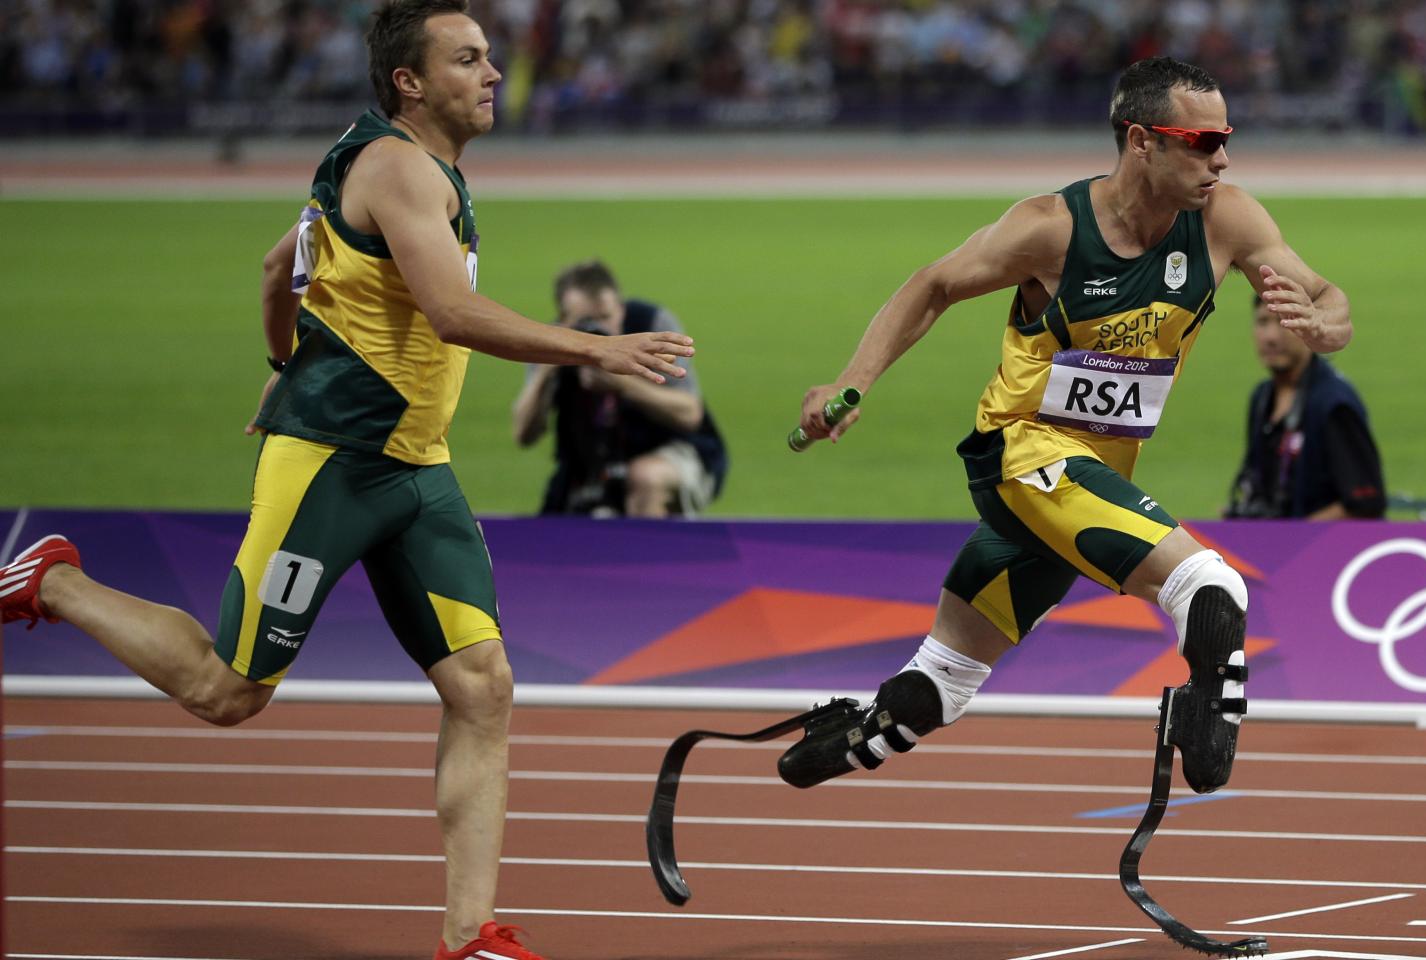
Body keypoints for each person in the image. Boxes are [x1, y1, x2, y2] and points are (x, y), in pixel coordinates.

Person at [0, 3, 692, 958]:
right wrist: (594, 350)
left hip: (417, 468)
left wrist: (288, 356)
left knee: (483, 687)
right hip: (332, 466)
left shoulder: (391, 159)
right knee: (229, 691)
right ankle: (54, 581)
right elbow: (450, 312)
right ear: (409, 82)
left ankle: (470, 935)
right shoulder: (398, 167)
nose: (494, 72)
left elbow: (280, 262)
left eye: (491, 55)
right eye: (468, 58)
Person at [783, 57, 1351, 797]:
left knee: (945, 681)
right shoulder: (1050, 228)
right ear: (1142, 140)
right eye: (1201, 140)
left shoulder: (1227, 219)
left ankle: (841, 740)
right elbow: (934, 285)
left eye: (1225, 138)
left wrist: (1326, 325)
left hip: (1088, 485)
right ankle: (1204, 734)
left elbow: (1324, 292)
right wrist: (852, 382)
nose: (1222, 156)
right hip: (1021, 456)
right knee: (1210, 588)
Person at [512, 260, 727, 517]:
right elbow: (523, 434)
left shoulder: (651, 325)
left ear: (621, 309)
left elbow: (690, 413)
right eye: (586, 322)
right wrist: (548, 368)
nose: (599, 330)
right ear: (562, 321)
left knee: (646, 478)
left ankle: (649, 556)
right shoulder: (554, 344)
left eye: (606, 318)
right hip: (590, 466)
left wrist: (623, 384)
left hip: (674, 449)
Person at [1227, 292, 1386, 520]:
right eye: (1262, 322)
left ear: (1309, 328)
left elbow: (1366, 503)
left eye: (1284, 322)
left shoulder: (1334, 403)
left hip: (1325, 550)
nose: (1271, 336)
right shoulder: (1261, 397)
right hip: (1268, 546)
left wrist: (1293, 539)